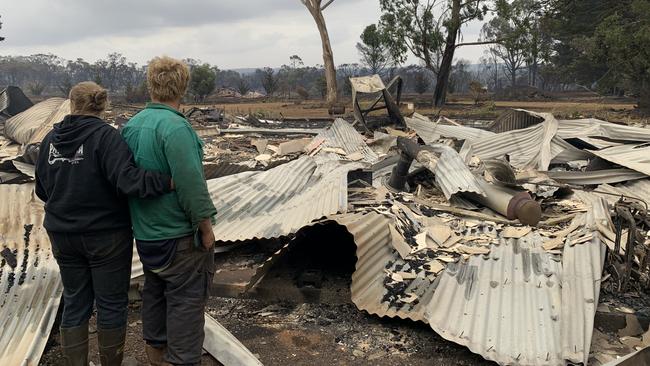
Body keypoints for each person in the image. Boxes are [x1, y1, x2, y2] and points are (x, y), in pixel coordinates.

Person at [35, 81, 174, 366]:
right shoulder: (106, 138)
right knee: (111, 303)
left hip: (62, 234)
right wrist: (167, 181)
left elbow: (41, 189)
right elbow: (128, 181)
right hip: (105, 235)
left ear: (71, 104)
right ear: (103, 105)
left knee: (75, 301)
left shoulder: (50, 140)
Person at [121, 56, 217, 366]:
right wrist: (205, 228)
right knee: (187, 302)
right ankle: (184, 359)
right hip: (178, 236)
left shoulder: (131, 126)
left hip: (146, 235)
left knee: (155, 292)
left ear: (151, 85)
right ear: (183, 87)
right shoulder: (176, 128)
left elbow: (125, 179)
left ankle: (156, 355)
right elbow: (191, 184)